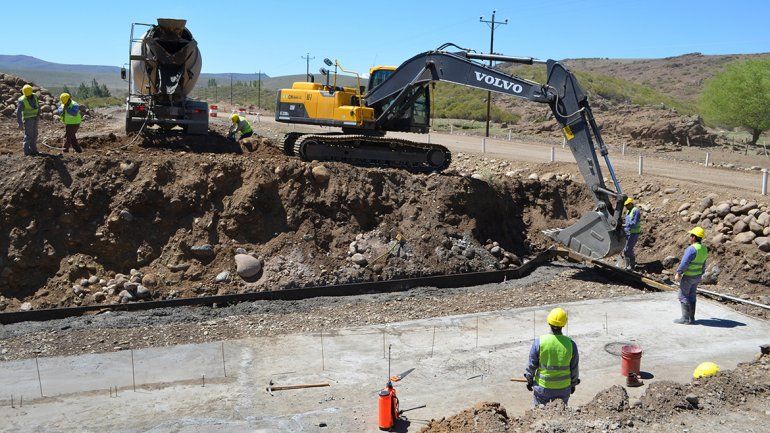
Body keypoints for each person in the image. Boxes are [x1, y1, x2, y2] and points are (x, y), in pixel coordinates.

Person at [524, 307, 580, 406]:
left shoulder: (540, 342)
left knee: (539, 414)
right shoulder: (571, 344)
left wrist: (529, 379)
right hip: (563, 389)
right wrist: (573, 384)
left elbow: (532, 365)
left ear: (549, 322)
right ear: (564, 324)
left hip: (543, 388)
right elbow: (574, 368)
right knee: (560, 414)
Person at [673, 227, 708, 325]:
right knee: (692, 296)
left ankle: (685, 318)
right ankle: (691, 318)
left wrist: (679, 272)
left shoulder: (692, 249)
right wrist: (701, 273)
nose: (690, 237)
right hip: (697, 276)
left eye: (691, 236)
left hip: (688, 276)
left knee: (683, 295)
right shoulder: (704, 249)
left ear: (694, 237)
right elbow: (704, 263)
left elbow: (684, 262)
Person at [16, 84, 40, 156]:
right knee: (29, 135)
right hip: (28, 119)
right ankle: (26, 152)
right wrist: (20, 123)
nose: (28, 96)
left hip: (35, 118)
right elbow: (18, 112)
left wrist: (38, 114)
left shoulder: (35, 96)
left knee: (35, 134)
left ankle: (34, 150)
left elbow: (38, 105)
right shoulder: (22, 100)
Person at [622, 197, 642, 270]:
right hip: (628, 233)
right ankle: (627, 265)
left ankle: (632, 265)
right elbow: (627, 221)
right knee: (625, 250)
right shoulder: (628, 211)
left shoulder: (635, 211)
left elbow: (634, 222)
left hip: (634, 233)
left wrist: (624, 225)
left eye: (627, 205)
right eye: (625, 205)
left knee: (628, 249)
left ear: (631, 203)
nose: (626, 206)